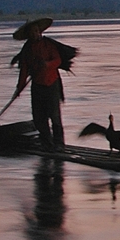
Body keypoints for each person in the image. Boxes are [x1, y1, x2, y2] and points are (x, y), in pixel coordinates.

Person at [11, 18, 77, 149]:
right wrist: (19, 88)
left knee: (54, 115)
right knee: (39, 118)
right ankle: (47, 142)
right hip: (37, 86)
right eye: (32, 32)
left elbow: (57, 60)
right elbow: (24, 70)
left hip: (52, 84)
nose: (35, 34)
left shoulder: (49, 45)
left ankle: (58, 144)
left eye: (36, 31)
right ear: (29, 35)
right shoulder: (27, 50)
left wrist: (47, 64)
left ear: (40, 31)